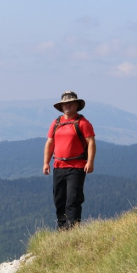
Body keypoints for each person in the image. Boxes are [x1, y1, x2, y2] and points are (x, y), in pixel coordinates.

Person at [43, 91, 96, 230]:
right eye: (65, 104)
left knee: (73, 199)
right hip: (58, 166)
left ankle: (73, 229)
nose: (67, 106)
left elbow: (91, 142)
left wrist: (90, 162)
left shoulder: (83, 123)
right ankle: (62, 228)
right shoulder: (56, 123)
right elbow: (50, 143)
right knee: (59, 199)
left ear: (77, 105)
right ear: (61, 107)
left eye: (71, 103)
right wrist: (45, 163)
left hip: (77, 167)